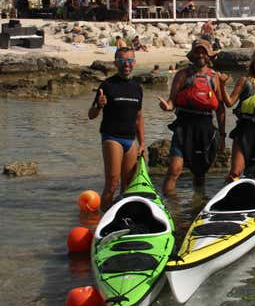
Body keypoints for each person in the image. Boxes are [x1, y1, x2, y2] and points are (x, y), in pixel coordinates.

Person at [158, 39, 228, 193]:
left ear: (209, 55)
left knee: (200, 173)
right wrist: (167, 107)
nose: (200, 55)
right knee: (174, 170)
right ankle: (168, 203)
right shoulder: (182, 75)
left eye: (204, 52)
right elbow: (172, 101)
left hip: (205, 128)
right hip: (184, 127)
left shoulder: (214, 77)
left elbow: (220, 109)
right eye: (198, 52)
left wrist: (222, 136)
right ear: (192, 54)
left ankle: (199, 202)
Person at [87, 47, 145, 211]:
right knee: (112, 183)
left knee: (128, 185)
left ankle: (121, 216)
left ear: (134, 62)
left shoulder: (137, 87)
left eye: (130, 60)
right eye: (122, 61)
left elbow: (139, 117)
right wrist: (99, 105)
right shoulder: (107, 85)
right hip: (112, 138)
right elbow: (91, 115)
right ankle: (101, 218)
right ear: (115, 63)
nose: (126, 64)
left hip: (130, 140)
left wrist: (142, 143)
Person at [220, 48, 255, 181]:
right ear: (253, 64)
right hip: (245, 130)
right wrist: (222, 85)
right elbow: (229, 103)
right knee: (236, 172)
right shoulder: (244, 81)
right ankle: (228, 190)